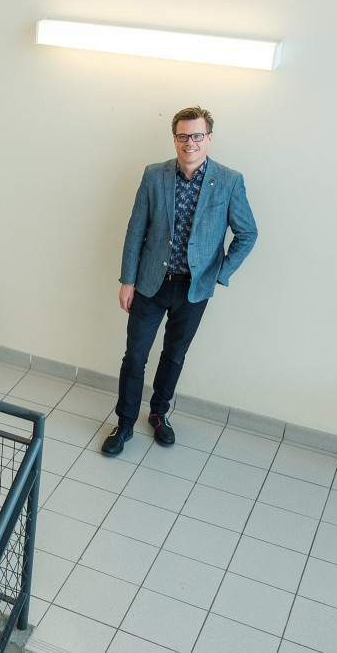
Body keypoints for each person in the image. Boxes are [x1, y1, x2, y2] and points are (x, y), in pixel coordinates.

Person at [102, 106, 258, 457]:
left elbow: (247, 233)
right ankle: (124, 424)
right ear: (175, 139)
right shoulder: (153, 175)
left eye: (197, 135)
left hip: (193, 289)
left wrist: (219, 273)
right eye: (183, 136)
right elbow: (136, 229)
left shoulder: (229, 181)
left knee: (173, 356)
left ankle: (159, 413)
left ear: (209, 138)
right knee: (135, 357)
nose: (190, 142)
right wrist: (127, 280)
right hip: (150, 284)